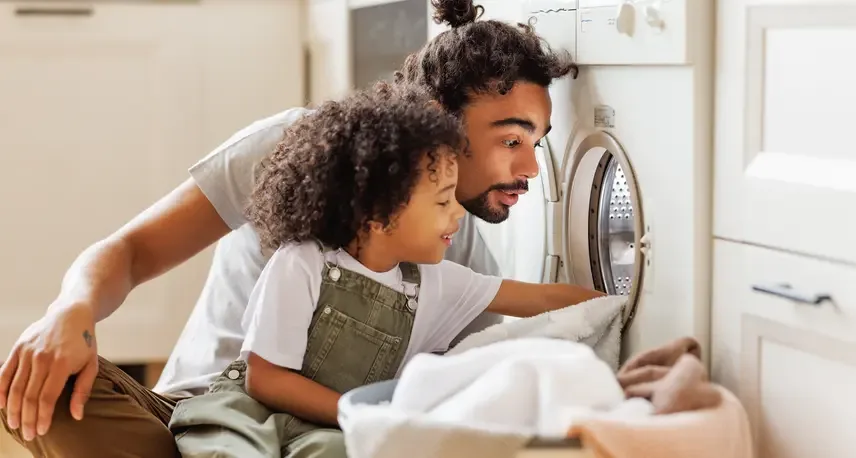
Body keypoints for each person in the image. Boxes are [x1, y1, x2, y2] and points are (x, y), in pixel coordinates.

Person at [0, 0, 586, 456]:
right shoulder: (301, 149)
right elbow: (130, 251)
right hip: (195, 415)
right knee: (33, 388)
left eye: (538, 144)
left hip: (316, 440)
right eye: (511, 139)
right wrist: (69, 312)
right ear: (439, 119)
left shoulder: (464, 265)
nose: (531, 168)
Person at [169, 81, 604, 458]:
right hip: (254, 413)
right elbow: (265, 378)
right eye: (442, 201)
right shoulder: (302, 263)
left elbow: (541, 299)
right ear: (378, 214)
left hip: (327, 428)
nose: (458, 214)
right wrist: (355, 412)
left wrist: (621, 304)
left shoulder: (434, 281)